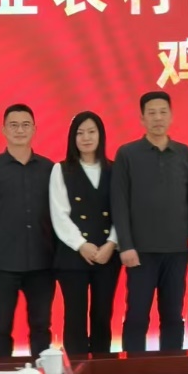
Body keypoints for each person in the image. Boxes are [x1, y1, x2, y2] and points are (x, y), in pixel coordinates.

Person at [111, 91, 188, 353]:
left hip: (177, 250)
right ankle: (133, 370)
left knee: (173, 315)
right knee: (137, 315)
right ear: (142, 118)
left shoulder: (183, 153)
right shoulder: (127, 153)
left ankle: (172, 369)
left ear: (171, 116)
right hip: (140, 251)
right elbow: (119, 202)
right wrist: (126, 245)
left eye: (163, 112)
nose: (158, 118)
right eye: (152, 113)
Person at [0, 104, 56, 359]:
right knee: (0, 329)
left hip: (42, 263)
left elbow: (59, 216)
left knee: (41, 327)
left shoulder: (49, 168)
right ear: (4, 130)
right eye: (14, 125)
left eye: (25, 125)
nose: (20, 130)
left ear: (34, 129)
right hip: (2, 264)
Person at [49, 112, 121, 355]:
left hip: (107, 254)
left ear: (101, 135)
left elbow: (122, 211)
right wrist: (82, 244)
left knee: (102, 314)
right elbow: (59, 213)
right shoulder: (61, 170)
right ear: (72, 138)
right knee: (75, 315)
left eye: (91, 132)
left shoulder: (115, 169)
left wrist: (111, 243)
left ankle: (102, 367)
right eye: (80, 133)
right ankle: (76, 368)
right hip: (73, 255)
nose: (86, 138)